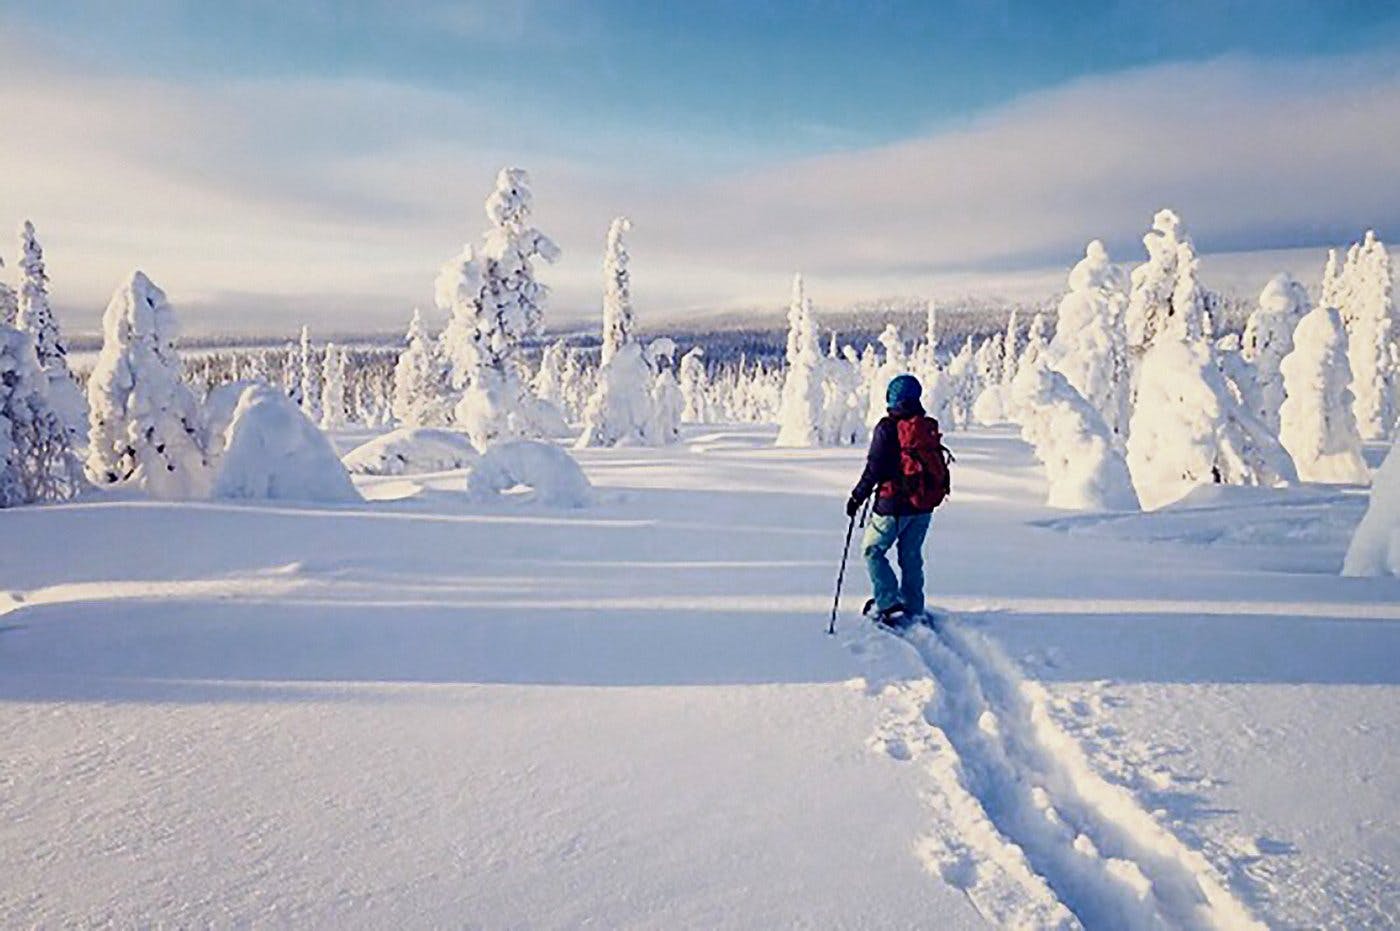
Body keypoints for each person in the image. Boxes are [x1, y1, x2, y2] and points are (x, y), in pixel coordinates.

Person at [846, 373, 949, 626]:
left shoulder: (887, 427)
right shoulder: (924, 427)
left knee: (873, 550)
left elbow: (875, 468)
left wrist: (856, 497)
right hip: (923, 505)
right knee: (911, 555)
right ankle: (914, 605)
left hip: (892, 505)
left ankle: (888, 601)